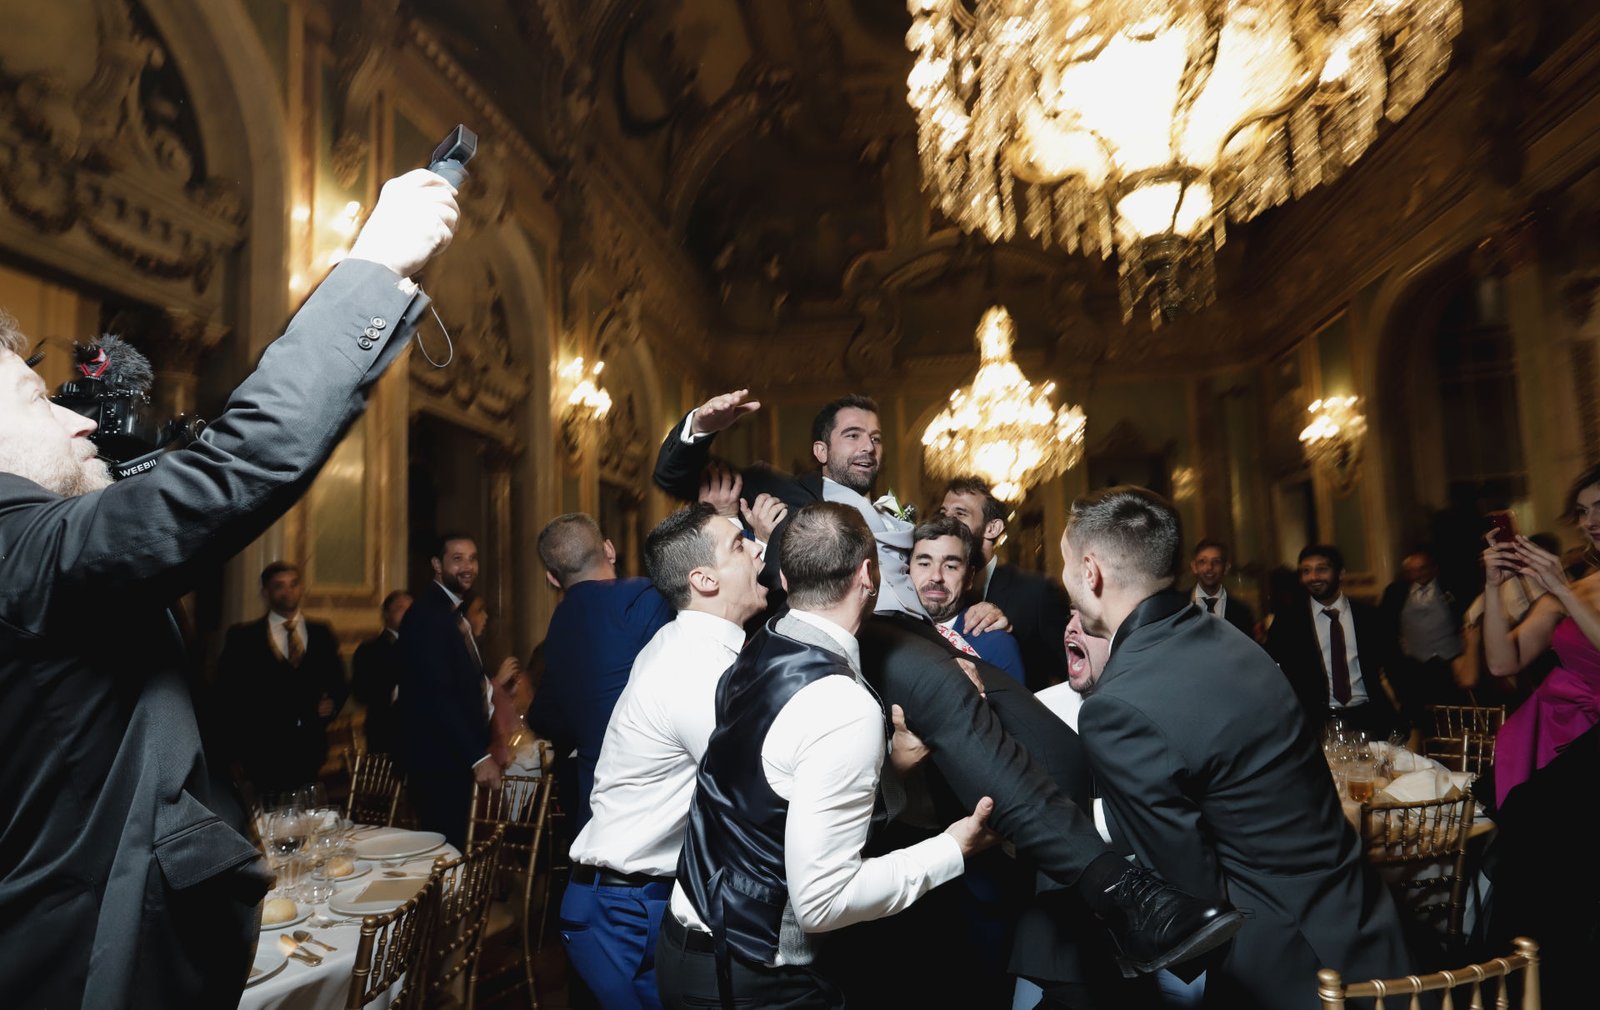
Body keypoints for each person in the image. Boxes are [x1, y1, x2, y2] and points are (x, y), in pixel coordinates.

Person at [0, 167, 457, 1008]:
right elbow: (237, 465)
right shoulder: (16, 551)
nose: (76, 418)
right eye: (36, 396)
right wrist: (374, 263)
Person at [1062, 486, 1409, 1009]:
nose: (1062, 580)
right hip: (1360, 916)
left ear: (1091, 572)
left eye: (1065, 565)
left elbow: (1190, 888)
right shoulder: (1229, 639)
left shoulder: (1116, 706)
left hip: (1286, 961)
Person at [657, 502, 998, 1009]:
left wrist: (892, 770)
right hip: (748, 977)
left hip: (688, 943)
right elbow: (823, 902)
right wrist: (951, 849)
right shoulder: (843, 704)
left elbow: (772, 792)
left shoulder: (759, 644)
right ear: (868, 574)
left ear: (787, 577)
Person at [561, 503, 767, 1009]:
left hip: (641, 897)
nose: (759, 549)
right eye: (741, 545)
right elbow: (758, 794)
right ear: (703, 579)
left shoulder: (699, 646)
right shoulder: (694, 666)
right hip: (624, 907)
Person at [653, 389, 931, 619]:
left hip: (913, 630)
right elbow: (673, 478)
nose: (869, 447)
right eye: (853, 435)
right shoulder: (779, 491)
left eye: (876, 438)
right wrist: (700, 427)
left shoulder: (892, 511)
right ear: (821, 451)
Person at [528, 513, 674, 830]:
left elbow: (544, 715)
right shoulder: (646, 598)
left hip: (595, 803)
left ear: (553, 578)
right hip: (657, 798)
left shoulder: (557, 628)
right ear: (609, 550)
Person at [1482, 464, 1600, 807]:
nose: (1588, 521)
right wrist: (1492, 587)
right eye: (1582, 511)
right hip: (1568, 734)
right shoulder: (1575, 589)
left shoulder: (1567, 592)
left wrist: (1564, 592)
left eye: (1599, 508)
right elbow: (1503, 663)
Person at [395, 533, 499, 849]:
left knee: (453, 851)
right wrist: (478, 756)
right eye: (458, 558)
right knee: (446, 856)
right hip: (440, 762)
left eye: (472, 558)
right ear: (437, 565)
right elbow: (439, 695)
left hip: (451, 759)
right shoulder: (429, 615)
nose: (468, 567)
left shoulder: (449, 613)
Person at [215, 561, 347, 795]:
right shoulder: (243, 637)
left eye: (294, 584)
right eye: (280, 586)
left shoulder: (321, 632)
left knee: (307, 816)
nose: (288, 591)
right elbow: (226, 694)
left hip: (310, 747)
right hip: (262, 750)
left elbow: (338, 682)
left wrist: (332, 704)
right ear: (266, 592)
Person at [941, 476, 1072, 689]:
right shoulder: (934, 588)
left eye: (960, 514)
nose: (946, 522)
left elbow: (1068, 673)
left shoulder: (1037, 593)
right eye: (943, 513)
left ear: (992, 528)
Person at [1264, 544, 1405, 740]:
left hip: (1369, 717)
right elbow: (1272, 672)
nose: (1313, 577)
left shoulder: (1369, 617)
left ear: (1340, 573)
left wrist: (1409, 718)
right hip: (1316, 723)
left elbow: (1395, 666)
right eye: (1306, 571)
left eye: (1322, 569)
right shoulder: (1288, 621)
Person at [909, 513, 1026, 683]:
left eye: (950, 566)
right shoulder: (889, 634)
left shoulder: (996, 645)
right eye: (924, 564)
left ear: (970, 578)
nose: (936, 576)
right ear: (907, 569)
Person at [1379, 546, 1466, 723]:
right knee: (1418, 718)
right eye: (1412, 570)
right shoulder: (1395, 592)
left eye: (1422, 568)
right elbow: (1385, 627)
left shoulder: (1452, 587)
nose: (1418, 574)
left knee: (1452, 716)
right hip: (1413, 665)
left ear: (1434, 568)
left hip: (1450, 662)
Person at [351, 589, 412, 757]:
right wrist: (395, 692)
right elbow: (361, 692)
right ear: (386, 614)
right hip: (386, 730)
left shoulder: (423, 648)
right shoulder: (369, 650)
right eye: (401, 608)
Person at [1187, 539, 1256, 638]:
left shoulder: (1242, 612)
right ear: (1194, 567)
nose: (1209, 567)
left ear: (1226, 568)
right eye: (1202, 561)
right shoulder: (1178, 607)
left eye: (1216, 562)